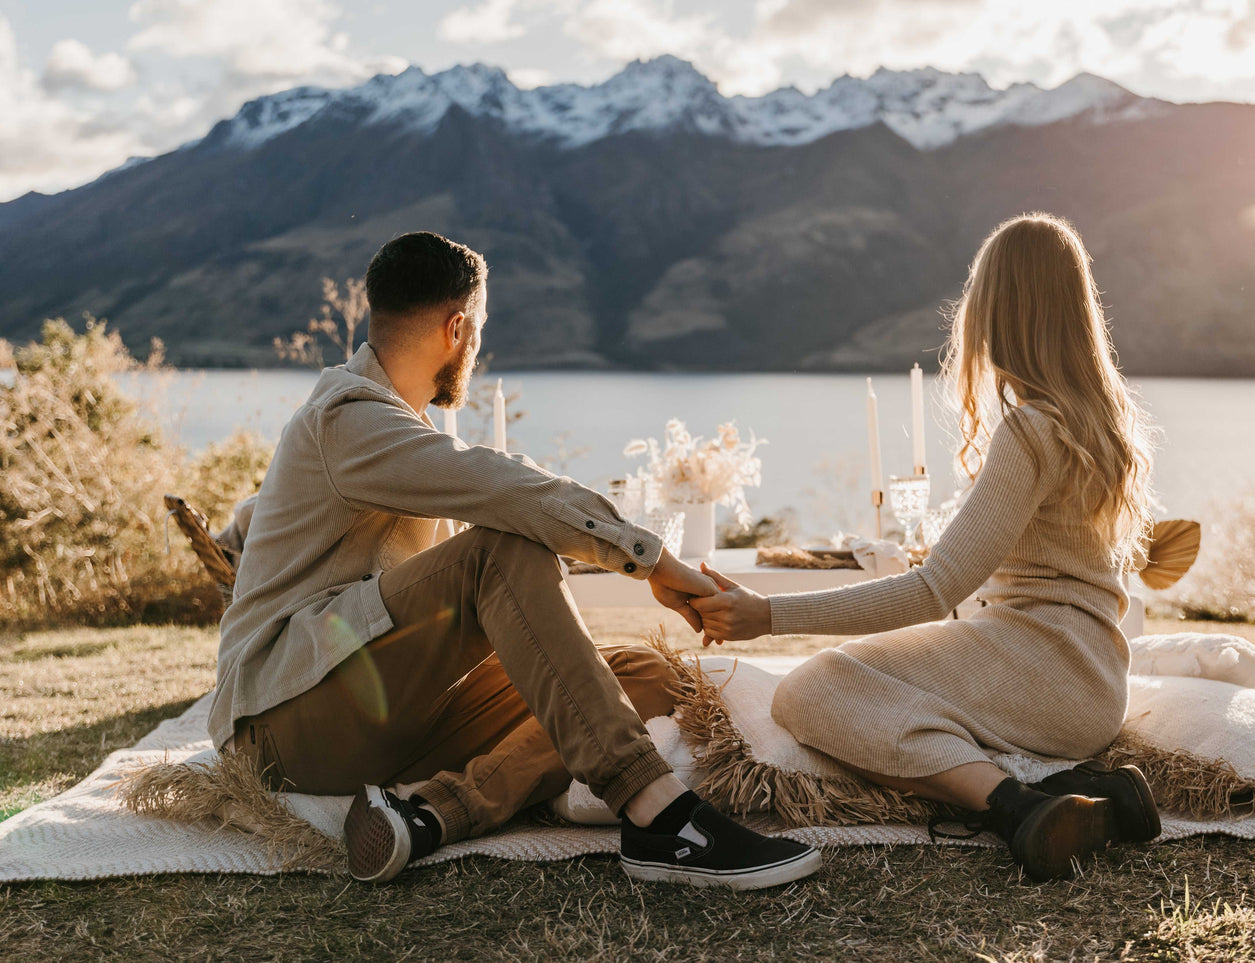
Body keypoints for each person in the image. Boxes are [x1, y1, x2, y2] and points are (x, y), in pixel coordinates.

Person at [212, 231, 820, 889]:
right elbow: (506, 489)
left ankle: (434, 815)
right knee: (496, 546)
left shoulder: (391, 430)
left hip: (380, 708)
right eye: (479, 333)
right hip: (282, 728)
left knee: (642, 673)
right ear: (458, 328)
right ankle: (660, 817)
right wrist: (658, 565)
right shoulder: (347, 418)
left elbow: (270, 517)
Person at [689, 213, 1162, 882]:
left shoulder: (1030, 429)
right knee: (878, 678)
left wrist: (767, 615)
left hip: (1043, 667)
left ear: (996, 311)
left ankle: (1016, 808)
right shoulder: (1105, 425)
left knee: (811, 689)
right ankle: (1084, 792)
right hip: (1093, 679)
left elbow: (932, 591)